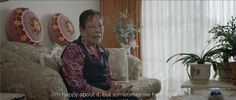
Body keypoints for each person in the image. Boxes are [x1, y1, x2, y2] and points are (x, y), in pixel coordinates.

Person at [60, 9, 138, 100]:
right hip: (85, 96)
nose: (98, 30)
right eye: (92, 27)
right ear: (82, 30)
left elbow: (108, 78)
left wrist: (117, 88)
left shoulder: (101, 49)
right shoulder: (73, 50)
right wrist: (105, 93)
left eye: (100, 26)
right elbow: (78, 85)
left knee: (132, 98)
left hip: (104, 93)